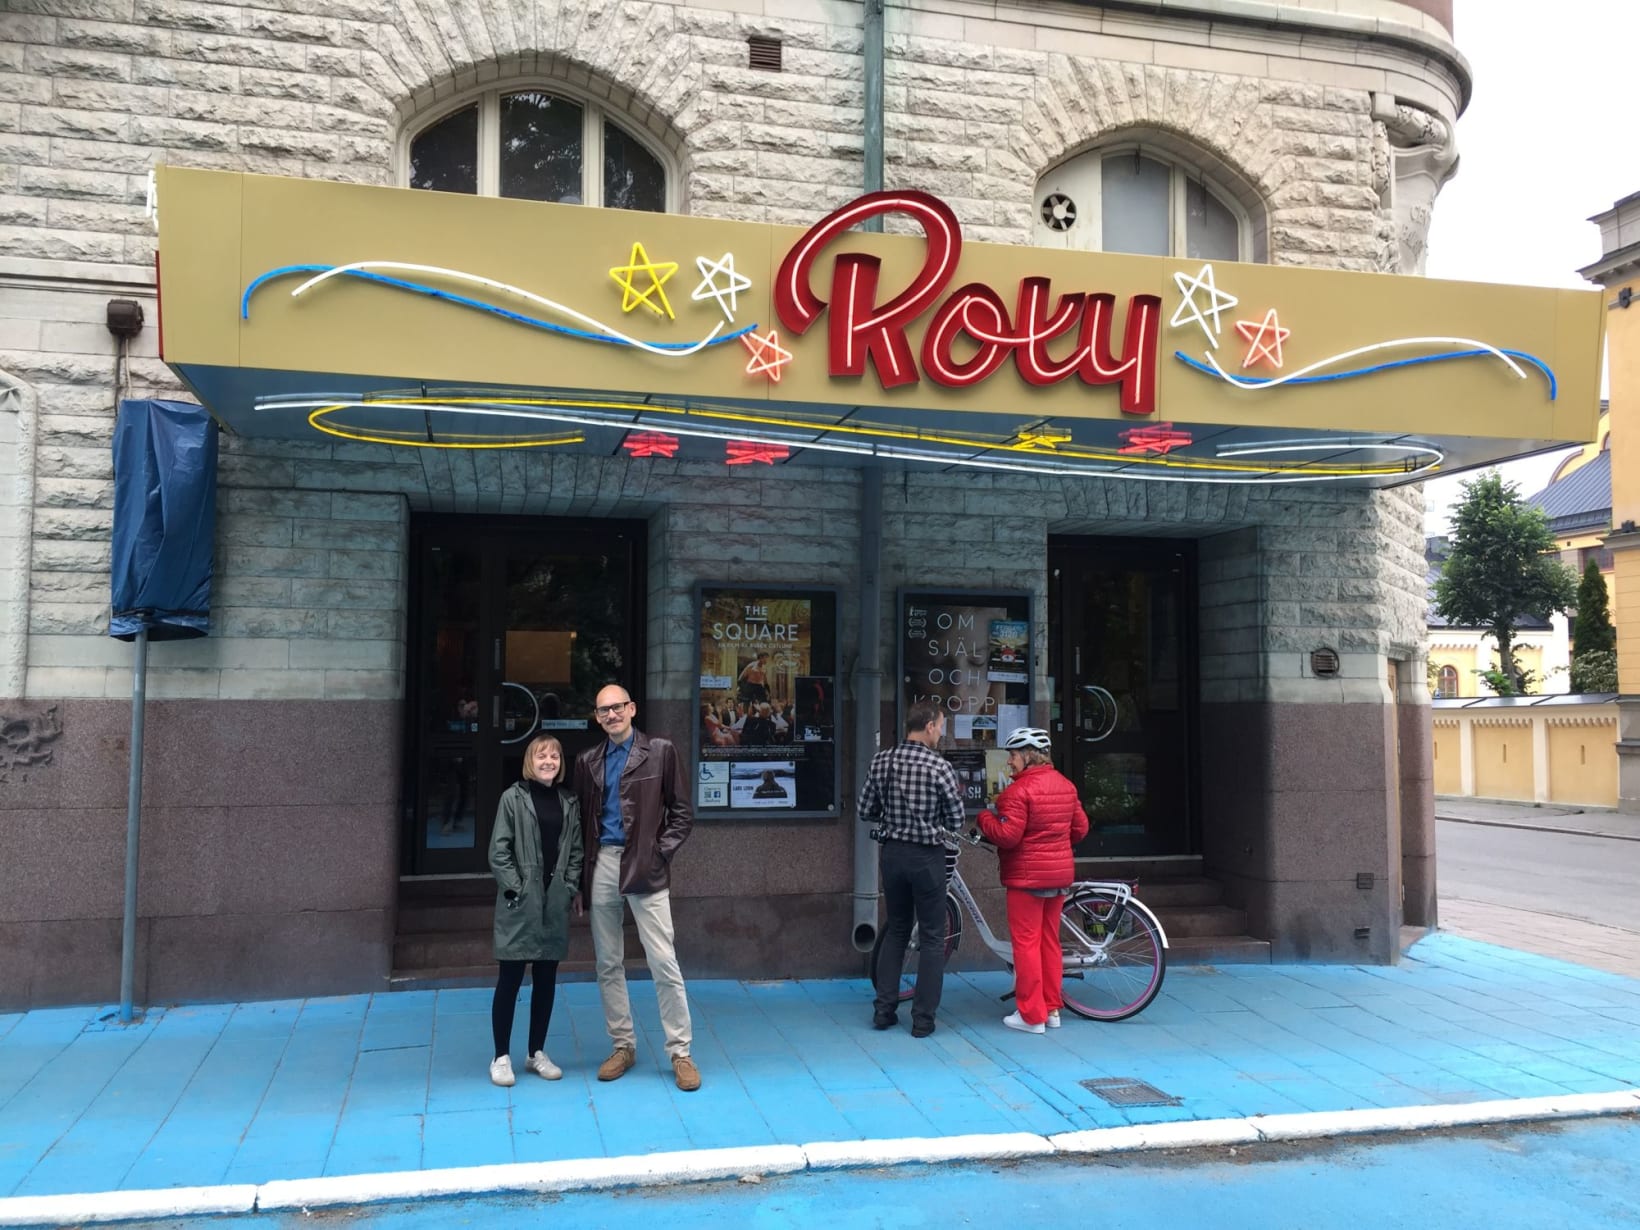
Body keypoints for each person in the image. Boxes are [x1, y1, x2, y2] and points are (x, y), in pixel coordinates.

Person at [575, 684, 701, 1092]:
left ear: (632, 708)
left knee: (663, 959)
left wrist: (658, 854)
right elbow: (583, 823)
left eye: (617, 707)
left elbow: (682, 813)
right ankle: (622, 1045)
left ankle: (680, 1051)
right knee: (607, 962)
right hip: (604, 864)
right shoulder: (587, 760)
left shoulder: (661, 751)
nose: (611, 715)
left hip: (645, 863)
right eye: (603, 710)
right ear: (596, 718)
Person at [859, 701, 964, 1037]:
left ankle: (883, 1011)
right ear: (930, 725)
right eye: (941, 726)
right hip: (927, 856)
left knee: (898, 930)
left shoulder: (882, 760)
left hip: (892, 854)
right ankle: (923, 1020)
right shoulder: (939, 766)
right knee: (933, 937)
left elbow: (865, 809)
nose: (941, 732)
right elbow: (956, 819)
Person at [975, 727, 1088, 1035]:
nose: (1009, 762)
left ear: (1027, 755)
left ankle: (1030, 1015)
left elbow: (1007, 837)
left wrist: (985, 817)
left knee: (1026, 945)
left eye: (1012, 755)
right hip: (1059, 875)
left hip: (1027, 879)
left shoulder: (1017, 792)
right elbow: (1080, 830)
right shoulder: (1066, 785)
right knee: (1049, 942)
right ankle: (1051, 1010)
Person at [487, 734, 584, 1086]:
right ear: (530, 760)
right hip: (520, 903)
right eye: (542, 756)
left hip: (554, 901)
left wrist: (570, 885)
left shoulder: (568, 801)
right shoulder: (512, 799)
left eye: (555, 756)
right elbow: (499, 851)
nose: (549, 762)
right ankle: (500, 1056)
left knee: (546, 981)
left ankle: (535, 1052)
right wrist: (516, 886)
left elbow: (575, 850)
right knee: (509, 981)